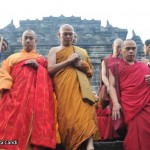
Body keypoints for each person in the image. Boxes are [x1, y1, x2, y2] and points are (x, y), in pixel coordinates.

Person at [0, 29, 56, 150]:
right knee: (10, 126)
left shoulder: (42, 60)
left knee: (30, 125)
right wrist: (6, 86)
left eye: (31, 38)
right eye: (25, 38)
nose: (28, 41)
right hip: (13, 97)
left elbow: (51, 81)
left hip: (35, 100)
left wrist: (39, 68)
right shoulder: (12, 58)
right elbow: (3, 72)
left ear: (36, 41)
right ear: (21, 40)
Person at [48, 24, 99, 150]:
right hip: (64, 90)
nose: (68, 36)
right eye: (65, 34)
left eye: (71, 34)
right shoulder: (54, 50)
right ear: (59, 35)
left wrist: (81, 64)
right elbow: (50, 70)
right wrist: (69, 61)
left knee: (85, 112)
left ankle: (90, 145)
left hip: (81, 89)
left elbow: (90, 72)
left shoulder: (81, 52)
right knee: (69, 117)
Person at [109, 39, 150, 150]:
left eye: (133, 48)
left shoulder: (144, 67)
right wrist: (116, 104)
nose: (131, 51)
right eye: (127, 48)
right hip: (129, 105)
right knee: (136, 130)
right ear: (121, 50)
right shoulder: (115, 66)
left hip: (146, 104)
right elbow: (111, 86)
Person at [96, 38, 123, 140]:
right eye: (118, 46)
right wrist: (108, 86)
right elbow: (103, 75)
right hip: (109, 89)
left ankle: (119, 133)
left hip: (120, 90)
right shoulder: (106, 60)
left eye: (122, 47)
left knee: (120, 111)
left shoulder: (123, 61)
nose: (120, 49)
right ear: (113, 46)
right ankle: (110, 135)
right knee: (110, 112)